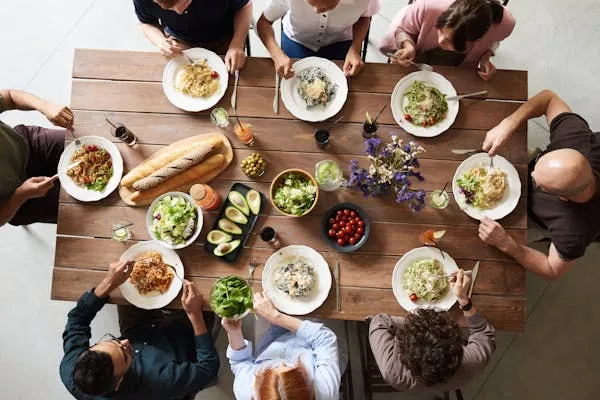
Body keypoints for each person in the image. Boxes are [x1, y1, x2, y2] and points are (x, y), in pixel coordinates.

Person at [479, 90, 600, 280]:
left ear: (563, 197)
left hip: (532, 217)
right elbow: (548, 98)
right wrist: (508, 124)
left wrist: (507, 243)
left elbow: (552, 270)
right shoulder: (578, 139)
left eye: (537, 181)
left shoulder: (574, 232)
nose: (530, 173)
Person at [59, 260, 220, 399]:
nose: (125, 342)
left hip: (138, 329)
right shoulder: (162, 382)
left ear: (89, 349)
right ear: (119, 382)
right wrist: (195, 315)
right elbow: (208, 369)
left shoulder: (71, 370)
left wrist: (108, 283)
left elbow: (77, 321)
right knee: (206, 293)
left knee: (129, 283)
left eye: (113, 341)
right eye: (124, 353)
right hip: (179, 342)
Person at [369, 270, 495, 392]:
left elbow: (379, 321)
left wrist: (411, 326)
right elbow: (483, 333)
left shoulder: (392, 372)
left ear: (402, 349)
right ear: (458, 345)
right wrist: (463, 300)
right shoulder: (474, 361)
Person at [222, 291, 343, 399]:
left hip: (270, 340)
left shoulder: (245, 392)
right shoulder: (325, 392)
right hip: (313, 343)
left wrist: (234, 332)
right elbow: (324, 338)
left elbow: (240, 362)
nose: (280, 362)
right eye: (290, 366)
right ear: (308, 386)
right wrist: (276, 317)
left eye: (269, 370)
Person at [379, 0, 515, 81]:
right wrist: (408, 46)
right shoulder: (429, 6)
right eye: (440, 30)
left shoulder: (504, 24)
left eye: (451, 41)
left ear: (475, 39)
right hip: (419, 52)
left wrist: (485, 57)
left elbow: (493, 42)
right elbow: (403, 28)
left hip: (460, 66)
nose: (440, 41)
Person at [0, 89, 73, 227]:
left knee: (91, 149)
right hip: (17, 200)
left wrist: (45, 107)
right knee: (84, 209)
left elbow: (9, 97)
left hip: (29, 144)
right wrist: (21, 195)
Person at [256, 0, 380, 78]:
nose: (316, 11)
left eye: (323, 7)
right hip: (296, 39)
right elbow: (263, 23)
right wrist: (277, 55)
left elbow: (365, 17)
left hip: (339, 41)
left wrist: (355, 49)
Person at [133, 0, 253, 72]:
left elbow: (245, 6)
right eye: (169, 8)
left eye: (184, 2)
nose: (178, 11)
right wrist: (161, 42)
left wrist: (237, 44)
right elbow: (146, 23)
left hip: (225, 37)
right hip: (180, 41)